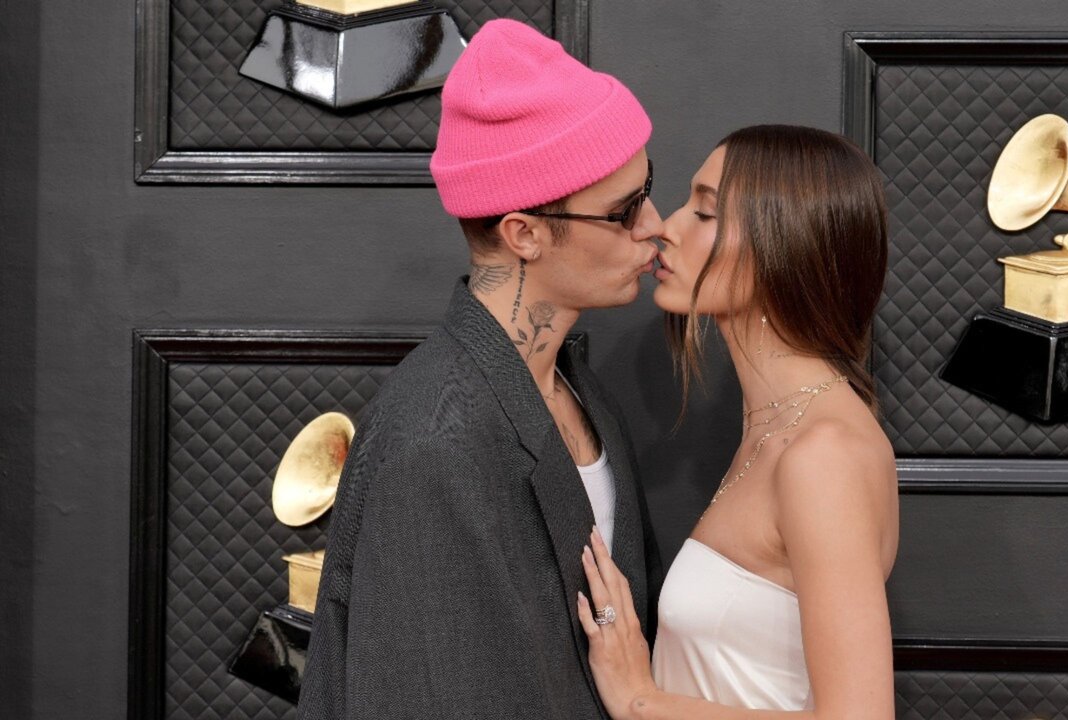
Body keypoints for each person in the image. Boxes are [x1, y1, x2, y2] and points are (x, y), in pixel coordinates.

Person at [296, 19, 664, 719]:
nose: (656, 225)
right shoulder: (434, 444)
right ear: (524, 232)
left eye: (649, 189)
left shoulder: (577, 388)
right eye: (623, 212)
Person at [573, 125, 899, 718]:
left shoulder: (822, 454)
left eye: (703, 212)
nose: (666, 226)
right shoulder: (779, 427)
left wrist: (638, 698)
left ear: (786, 245)